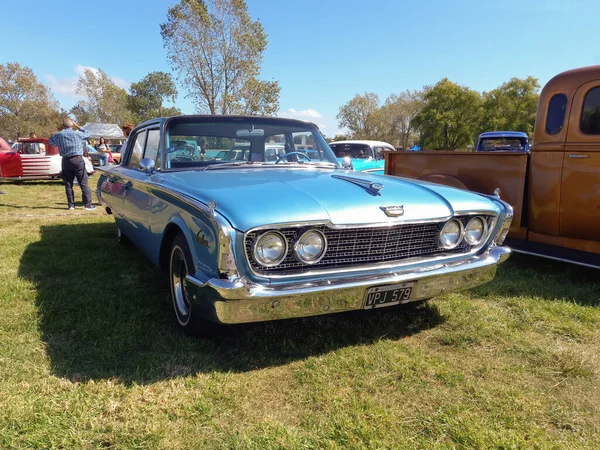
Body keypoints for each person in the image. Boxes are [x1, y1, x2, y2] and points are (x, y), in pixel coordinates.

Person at [48, 117, 96, 211]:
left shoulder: (59, 135)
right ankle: (87, 205)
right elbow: (88, 134)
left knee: (68, 184)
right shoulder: (76, 133)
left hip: (66, 160)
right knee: (83, 182)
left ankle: (71, 205)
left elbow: (51, 142)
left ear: (63, 125)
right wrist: (78, 126)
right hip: (77, 160)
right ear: (72, 124)